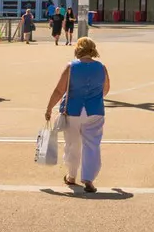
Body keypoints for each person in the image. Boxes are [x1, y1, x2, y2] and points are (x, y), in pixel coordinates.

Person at [43, 36, 110, 194]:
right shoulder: (102, 67)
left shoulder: (71, 67)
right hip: (94, 111)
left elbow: (59, 90)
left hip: (72, 110)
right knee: (92, 145)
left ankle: (72, 175)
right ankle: (88, 178)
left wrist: (49, 108)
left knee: (72, 144)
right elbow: (105, 89)